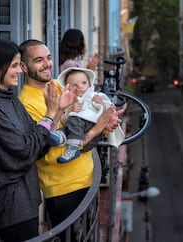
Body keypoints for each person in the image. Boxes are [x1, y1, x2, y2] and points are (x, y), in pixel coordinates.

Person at [18, 39, 123, 231]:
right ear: (24, 67)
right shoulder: (26, 103)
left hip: (87, 180)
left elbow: (87, 110)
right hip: (64, 190)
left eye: (48, 58)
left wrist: (108, 121)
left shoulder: (58, 86)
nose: (47, 64)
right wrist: (95, 131)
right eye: (38, 60)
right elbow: (51, 155)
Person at [0, 39, 74, 241]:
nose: (20, 71)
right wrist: (51, 113)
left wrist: (56, 112)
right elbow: (23, 150)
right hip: (11, 205)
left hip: (27, 200)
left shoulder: (9, 98)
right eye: (14, 66)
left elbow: (39, 141)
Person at [47, 67, 124, 163]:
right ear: (68, 88)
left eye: (84, 83)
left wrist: (102, 105)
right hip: (74, 133)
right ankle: (60, 138)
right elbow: (62, 121)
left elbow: (108, 111)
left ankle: (72, 148)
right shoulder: (70, 102)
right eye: (75, 85)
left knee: (76, 120)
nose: (80, 86)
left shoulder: (96, 96)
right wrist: (71, 110)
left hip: (90, 135)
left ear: (90, 84)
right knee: (69, 124)